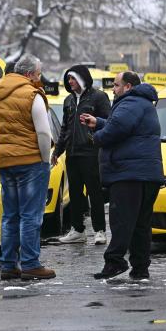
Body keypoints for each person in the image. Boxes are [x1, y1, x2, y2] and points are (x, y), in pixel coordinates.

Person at [80, 71, 164, 280]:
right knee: (140, 225)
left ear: (128, 87)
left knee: (122, 221)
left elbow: (117, 128)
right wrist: (98, 122)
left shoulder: (131, 102)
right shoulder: (140, 103)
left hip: (130, 175)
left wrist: (96, 137)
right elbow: (123, 125)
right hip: (143, 175)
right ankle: (140, 268)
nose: (113, 89)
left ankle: (115, 262)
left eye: (116, 85)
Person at [0, 54, 56, 280]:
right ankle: (30, 264)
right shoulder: (32, 94)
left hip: (5, 160)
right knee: (31, 215)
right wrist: (45, 160)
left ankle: (9, 265)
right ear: (28, 74)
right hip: (30, 161)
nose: (39, 78)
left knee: (10, 216)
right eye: (37, 74)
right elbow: (44, 132)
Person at [53, 65, 111, 245]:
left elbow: (109, 123)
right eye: (68, 79)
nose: (70, 82)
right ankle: (77, 230)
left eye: (73, 78)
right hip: (72, 154)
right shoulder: (68, 101)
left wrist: (95, 138)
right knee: (76, 194)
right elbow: (65, 129)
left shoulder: (99, 97)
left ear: (83, 79)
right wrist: (58, 151)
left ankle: (100, 230)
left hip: (91, 153)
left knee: (95, 193)